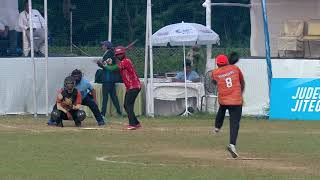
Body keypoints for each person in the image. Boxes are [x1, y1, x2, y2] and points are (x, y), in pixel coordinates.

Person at [99, 45, 141, 130]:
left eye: (119, 55)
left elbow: (113, 69)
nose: (118, 56)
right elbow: (115, 67)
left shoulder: (126, 61)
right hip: (132, 87)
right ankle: (136, 123)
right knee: (128, 105)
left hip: (134, 86)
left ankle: (132, 124)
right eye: (117, 55)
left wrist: (103, 66)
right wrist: (106, 65)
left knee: (127, 105)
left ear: (123, 54)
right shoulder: (123, 62)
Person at [211, 54, 245, 158]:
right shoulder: (235, 68)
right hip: (236, 100)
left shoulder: (215, 72)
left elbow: (213, 82)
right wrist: (241, 92)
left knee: (222, 109)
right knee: (234, 123)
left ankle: (217, 127)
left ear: (217, 64)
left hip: (224, 99)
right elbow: (242, 81)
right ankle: (232, 145)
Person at [96, 41, 122, 117]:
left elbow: (106, 66)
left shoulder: (109, 54)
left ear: (106, 46)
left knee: (105, 97)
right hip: (111, 79)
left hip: (107, 79)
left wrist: (99, 63)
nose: (102, 46)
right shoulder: (111, 53)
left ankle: (103, 114)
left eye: (103, 45)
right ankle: (119, 112)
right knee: (113, 96)